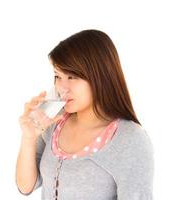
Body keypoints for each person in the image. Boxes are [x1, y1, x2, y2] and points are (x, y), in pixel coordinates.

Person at [16, 29, 154, 200]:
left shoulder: (130, 138)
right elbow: (25, 186)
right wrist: (28, 138)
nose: (62, 88)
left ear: (100, 76)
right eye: (57, 76)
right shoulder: (53, 121)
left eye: (72, 77)